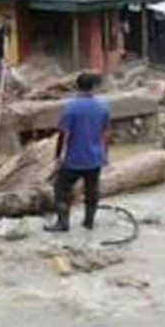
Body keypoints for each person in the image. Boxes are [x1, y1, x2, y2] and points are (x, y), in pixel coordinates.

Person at [45, 72, 110, 232]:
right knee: (92, 190)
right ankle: (89, 222)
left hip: (74, 159)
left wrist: (58, 156)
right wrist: (105, 155)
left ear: (77, 86)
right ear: (94, 87)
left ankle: (63, 222)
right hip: (95, 158)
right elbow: (106, 133)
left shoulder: (70, 108)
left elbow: (63, 134)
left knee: (61, 189)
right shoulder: (103, 107)